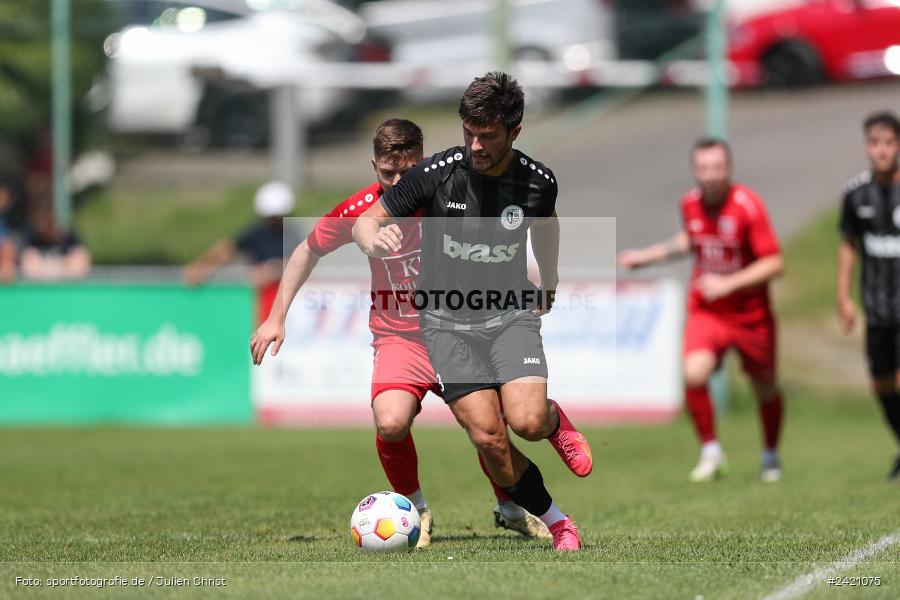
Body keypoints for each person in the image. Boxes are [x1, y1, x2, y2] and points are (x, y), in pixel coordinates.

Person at [250, 119, 551, 548]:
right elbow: (306, 249)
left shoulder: (448, 197)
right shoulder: (363, 211)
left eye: (405, 173)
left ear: (422, 163)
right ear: (374, 165)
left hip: (458, 330)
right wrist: (276, 317)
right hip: (400, 339)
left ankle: (511, 508)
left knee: (490, 431)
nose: (395, 182)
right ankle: (414, 509)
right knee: (390, 422)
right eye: (386, 173)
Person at [352, 73, 592, 552]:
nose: (476, 145)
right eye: (469, 133)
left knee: (524, 421)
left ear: (514, 132)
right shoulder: (436, 173)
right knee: (489, 438)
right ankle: (559, 522)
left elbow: (546, 224)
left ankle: (552, 422)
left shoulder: (537, 181)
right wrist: (372, 238)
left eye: (488, 135)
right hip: (446, 325)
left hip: (508, 316)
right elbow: (367, 220)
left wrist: (551, 279)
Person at [618, 138, 785, 483]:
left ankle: (770, 454)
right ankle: (711, 452)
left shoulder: (747, 206)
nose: (711, 175)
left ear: (729, 168)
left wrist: (729, 283)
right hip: (708, 310)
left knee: (765, 387)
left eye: (718, 167)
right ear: (695, 171)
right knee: (694, 373)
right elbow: (690, 239)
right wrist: (647, 256)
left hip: (751, 314)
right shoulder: (690, 203)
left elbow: (774, 262)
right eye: (704, 168)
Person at [837, 111, 900, 481]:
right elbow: (848, 245)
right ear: (866, 147)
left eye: (889, 143)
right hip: (877, 308)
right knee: (882, 384)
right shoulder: (854, 194)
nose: (882, 151)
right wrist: (843, 297)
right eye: (875, 144)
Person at [184, 181, 299, 324]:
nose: (274, 222)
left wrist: (272, 271)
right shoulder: (258, 233)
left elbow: (303, 262)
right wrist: (202, 266)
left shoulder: (294, 234)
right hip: (263, 301)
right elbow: (228, 250)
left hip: (289, 303)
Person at [20, 204, 91, 281]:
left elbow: (80, 263)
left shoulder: (70, 239)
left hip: (67, 282)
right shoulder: (33, 240)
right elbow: (30, 266)